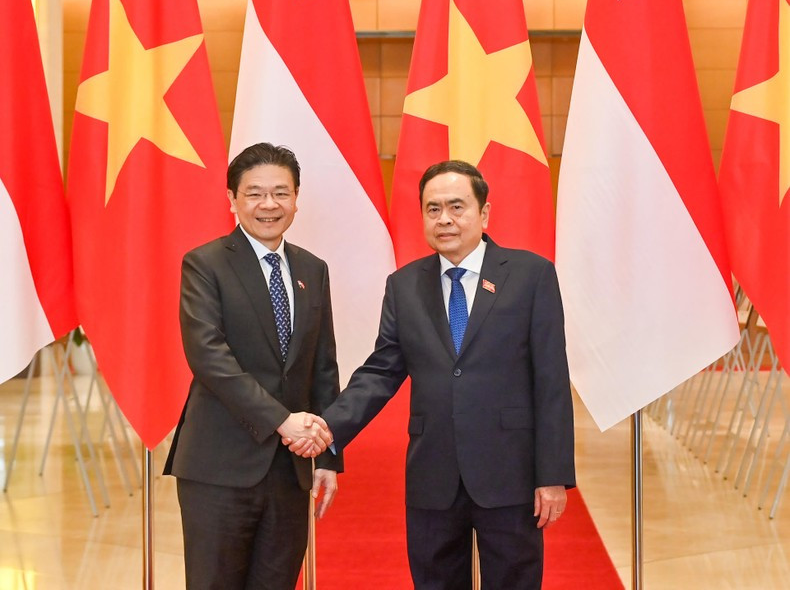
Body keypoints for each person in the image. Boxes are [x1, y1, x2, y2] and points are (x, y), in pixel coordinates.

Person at [288, 160, 575, 590]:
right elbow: (381, 371)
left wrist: (552, 475)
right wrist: (329, 428)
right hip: (433, 474)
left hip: (509, 472)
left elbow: (552, 381)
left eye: (457, 207)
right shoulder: (405, 285)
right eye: (433, 208)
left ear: (485, 213)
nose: (445, 219)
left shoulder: (531, 275)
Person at [164, 142, 342, 590]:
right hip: (218, 467)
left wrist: (328, 457)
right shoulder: (204, 264)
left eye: (281, 193)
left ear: (296, 199)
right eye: (255, 193)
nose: (269, 205)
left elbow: (322, 365)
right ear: (232, 199)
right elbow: (210, 358)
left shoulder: (312, 269)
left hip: (290, 471)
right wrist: (282, 421)